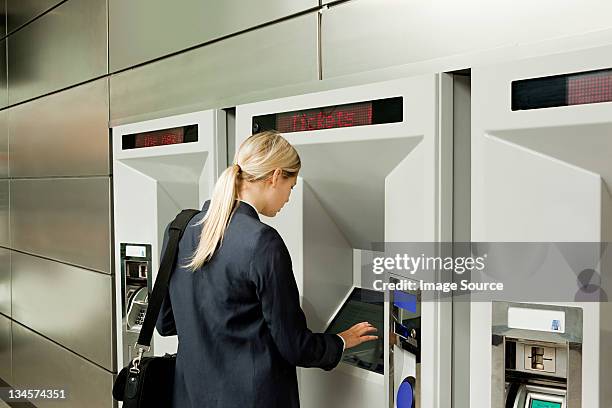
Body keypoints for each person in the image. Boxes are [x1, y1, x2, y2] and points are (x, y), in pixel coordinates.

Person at [156, 131, 378, 408]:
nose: (288, 197)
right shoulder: (262, 241)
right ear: (275, 177)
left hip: (190, 397)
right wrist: (340, 341)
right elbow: (294, 346)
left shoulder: (179, 228)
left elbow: (165, 323)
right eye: (291, 186)